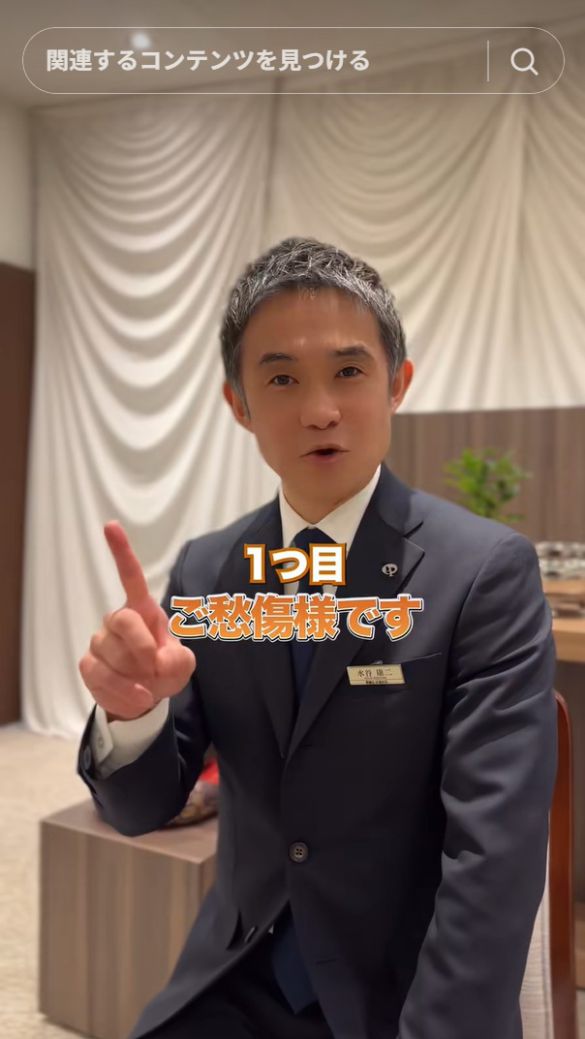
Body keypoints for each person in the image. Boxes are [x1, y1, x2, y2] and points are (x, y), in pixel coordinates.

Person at [77, 236, 557, 1039]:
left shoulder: (482, 572)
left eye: (348, 371)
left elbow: (493, 855)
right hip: (239, 975)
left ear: (397, 383)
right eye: (281, 378)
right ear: (238, 404)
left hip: (405, 992)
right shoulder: (209, 569)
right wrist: (133, 716)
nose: (319, 409)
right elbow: (140, 809)